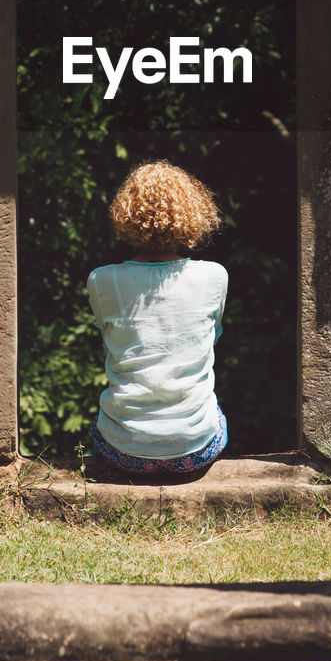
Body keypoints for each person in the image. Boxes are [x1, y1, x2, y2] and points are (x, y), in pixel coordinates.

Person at [87, 160, 229, 478]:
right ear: (193, 212)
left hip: (122, 449)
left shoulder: (101, 280)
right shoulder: (214, 276)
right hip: (196, 447)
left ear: (125, 214)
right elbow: (211, 337)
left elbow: (109, 340)